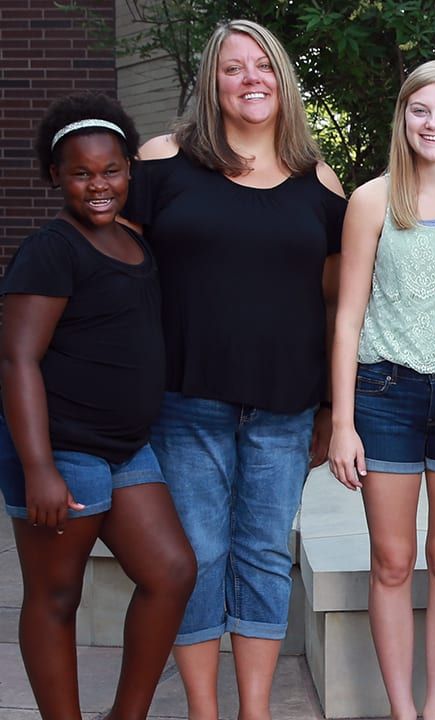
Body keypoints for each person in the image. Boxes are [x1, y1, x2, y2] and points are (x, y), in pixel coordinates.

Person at [122, 19, 346, 720]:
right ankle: (202, 709)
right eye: (232, 68)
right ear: (210, 83)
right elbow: (117, 276)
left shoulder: (320, 179)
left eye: (263, 66)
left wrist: (335, 409)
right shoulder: (162, 160)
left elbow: (339, 301)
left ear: (283, 79)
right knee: (197, 556)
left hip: (284, 404)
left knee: (264, 555)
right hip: (184, 399)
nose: (251, 79)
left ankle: (255, 710)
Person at [0, 92, 196, 719]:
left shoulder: (135, 245)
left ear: (128, 170)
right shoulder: (50, 249)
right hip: (61, 447)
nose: (98, 185)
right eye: (81, 173)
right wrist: (39, 467)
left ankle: (126, 716)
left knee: (170, 571)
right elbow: (17, 360)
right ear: (55, 177)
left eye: (110, 170)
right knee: (57, 595)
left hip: (126, 447)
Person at [327, 59, 435, 720]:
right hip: (385, 393)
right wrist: (342, 421)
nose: (434, 123)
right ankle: (402, 712)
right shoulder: (372, 199)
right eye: (421, 110)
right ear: (403, 117)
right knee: (394, 560)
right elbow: (347, 317)